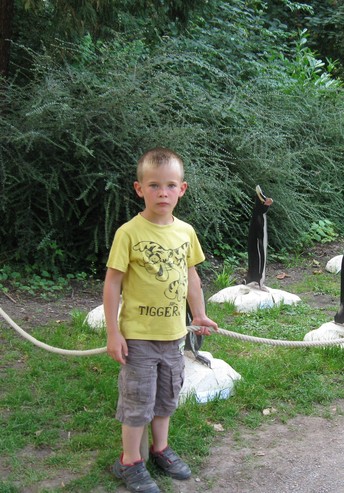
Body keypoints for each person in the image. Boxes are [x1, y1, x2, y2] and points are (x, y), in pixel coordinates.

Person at [104, 147, 218, 492]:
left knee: (167, 396)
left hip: (174, 335)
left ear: (182, 189)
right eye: (154, 185)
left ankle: (161, 449)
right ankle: (129, 461)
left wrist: (198, 314)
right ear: (140, 189)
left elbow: (192, 277)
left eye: (170, 185)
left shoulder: (185, 231)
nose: (162, 193)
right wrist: (113, 332)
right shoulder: (129, 233)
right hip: (138, 336)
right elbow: (112, 284)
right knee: (138, 399)